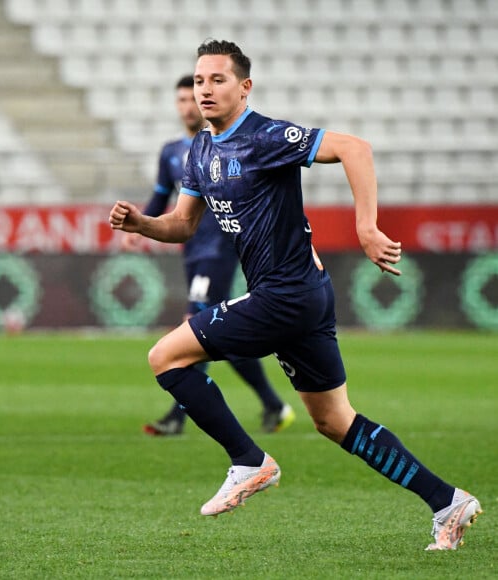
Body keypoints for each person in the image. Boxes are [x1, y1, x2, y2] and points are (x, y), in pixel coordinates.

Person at [110, 40, 482, 550]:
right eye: (199, 81)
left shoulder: (264, 135)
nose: (205, 90)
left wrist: (367, 228)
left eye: (218, 80)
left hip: (286, 295)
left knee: (165, 357)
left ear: (244, 88)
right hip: (300, 295)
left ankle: (248, 460)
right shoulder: (201, 149)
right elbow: (181, 225)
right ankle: (448, 501)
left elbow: (355, 148)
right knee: (335, 421)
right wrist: (143, 224)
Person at [122, 74, 295, 435]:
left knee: (196, 323)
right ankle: (274, 405)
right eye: (182, 100)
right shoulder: (173, 152)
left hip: (220, 249)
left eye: (192, 98)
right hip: (192, 251)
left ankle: (178, 415)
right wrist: (139, 226)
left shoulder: (222, 146)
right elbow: (160, 198)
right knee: (215, 331)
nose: (189, 105)